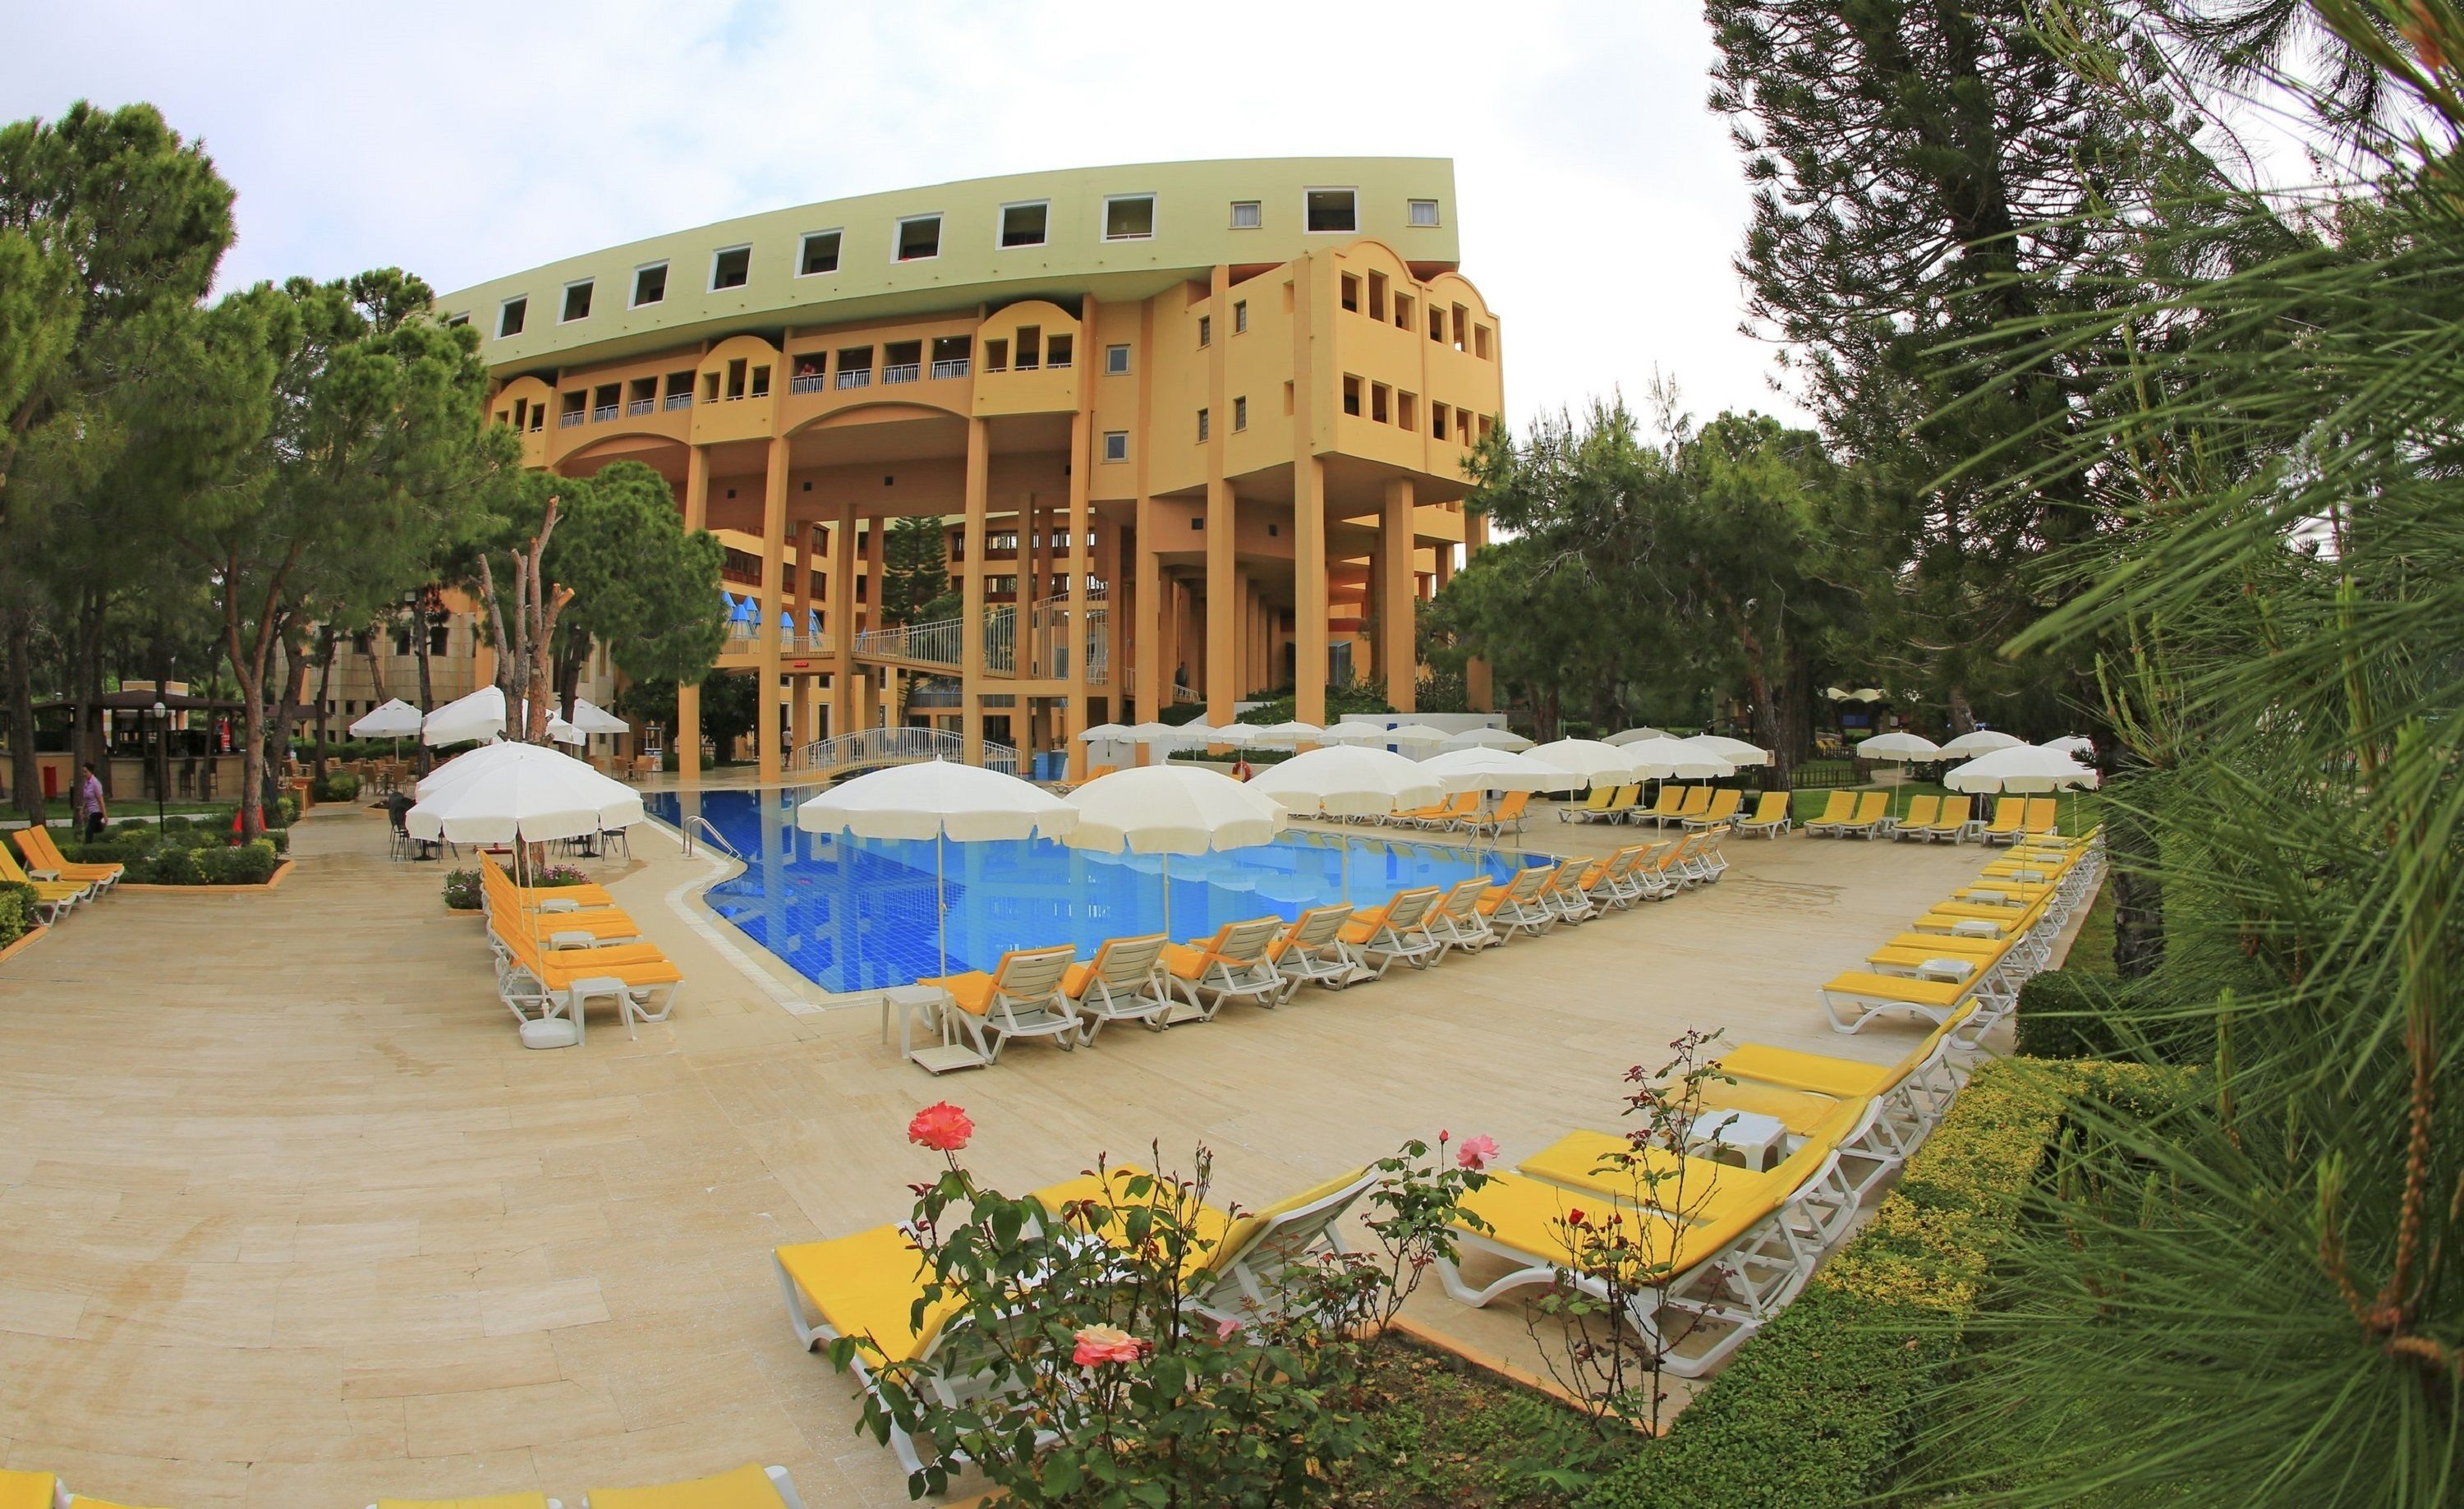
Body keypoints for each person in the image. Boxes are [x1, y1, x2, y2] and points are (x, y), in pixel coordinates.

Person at [74, 761, 106, 841]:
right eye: (83, 772)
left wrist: (105, 815)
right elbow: (86, 798)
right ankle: (103, 837)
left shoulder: (95, 783)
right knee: (97, 829)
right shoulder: (87, 783)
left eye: (85, 772)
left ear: (91, 771)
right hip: (90, 811)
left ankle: (88, 847)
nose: (84, 774)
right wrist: (82, 809)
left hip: (96, 811)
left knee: (89, 831)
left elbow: (101, 800)